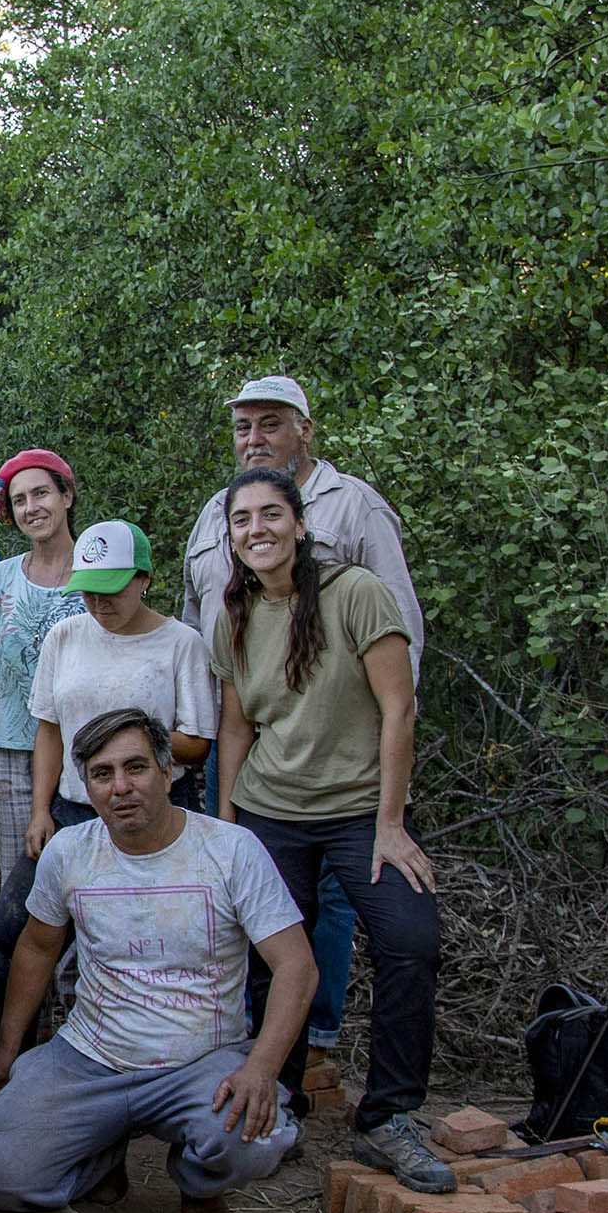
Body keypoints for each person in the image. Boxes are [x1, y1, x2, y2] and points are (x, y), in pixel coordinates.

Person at [0, 710, 316, 1213]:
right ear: (85, 786)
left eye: (136, 768)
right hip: (92, 1056)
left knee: (250, 1139)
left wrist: (261, 1069)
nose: (121, 787)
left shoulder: (229, 851)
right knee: (1, 1177)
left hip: (200, 1061)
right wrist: (6, 1049)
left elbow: (297, 967)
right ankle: (104, 1154)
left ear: (169, 770)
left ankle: (199, 1184)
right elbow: (37, 948)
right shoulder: (70, 851)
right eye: (103, 774)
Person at [212, 467, 451, 1193]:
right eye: (242, 520)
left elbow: (398, 707)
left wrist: (390, 821)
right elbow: (235, 726)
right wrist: (227, 829)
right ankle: (274, 1104)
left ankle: (389, 1116)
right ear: (231, 536)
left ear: (300, 523)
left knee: (411, 938)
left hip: (358, 812)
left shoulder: (355, 593)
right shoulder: (236, 613)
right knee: (269, 960)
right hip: (270, 809)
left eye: (270, 515)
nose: (257, 529)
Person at [180, 374, 427, 1070]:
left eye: (270, 423)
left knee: (353, 918)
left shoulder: (356, 509)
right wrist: (224, 814)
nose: (253, 439)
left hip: (352, 778)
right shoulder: (214, 516)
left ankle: (321, 1047)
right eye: (242, 427)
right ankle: (272, 1078)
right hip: (260, 768)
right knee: (264, 929)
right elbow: (221, 678)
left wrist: (390, 803)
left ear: (305, 429)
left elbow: (400, 660)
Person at [0, 521, 217, 1079]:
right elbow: (48, 726)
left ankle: (140, 1065)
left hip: (150, 816)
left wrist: (135, 746)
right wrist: (41, 810)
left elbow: (197, 743)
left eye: (114, 588)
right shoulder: (66, 636)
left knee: (132, 942)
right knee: (8, 928)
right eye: (90, 588)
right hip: (72, 811)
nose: (99, 602)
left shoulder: (179, 644)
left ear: (145, 580)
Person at [0, 448, 84, 881]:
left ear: (66, 495)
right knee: (21, 880)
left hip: (84, 750)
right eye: (19, 500)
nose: (31, 508)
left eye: (41, 493)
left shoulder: (97, 574)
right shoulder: (2, 578)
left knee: (84, 875)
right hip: (12, 753)